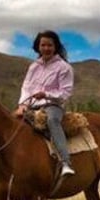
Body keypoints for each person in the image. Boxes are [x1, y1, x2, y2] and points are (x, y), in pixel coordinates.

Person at [14, 30, 76, 187]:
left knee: (52, 121)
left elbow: (65, 92)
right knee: (9, 124)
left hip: (53, 105)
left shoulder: (64, 67)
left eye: (50, 45)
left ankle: (65, 162)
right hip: (31, 106)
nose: (46, 48)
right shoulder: (33, 67)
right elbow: (26, 88)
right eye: (43, 45)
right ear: (38, 47)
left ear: (55, 47)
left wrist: (47, 95)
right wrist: (22, 106)